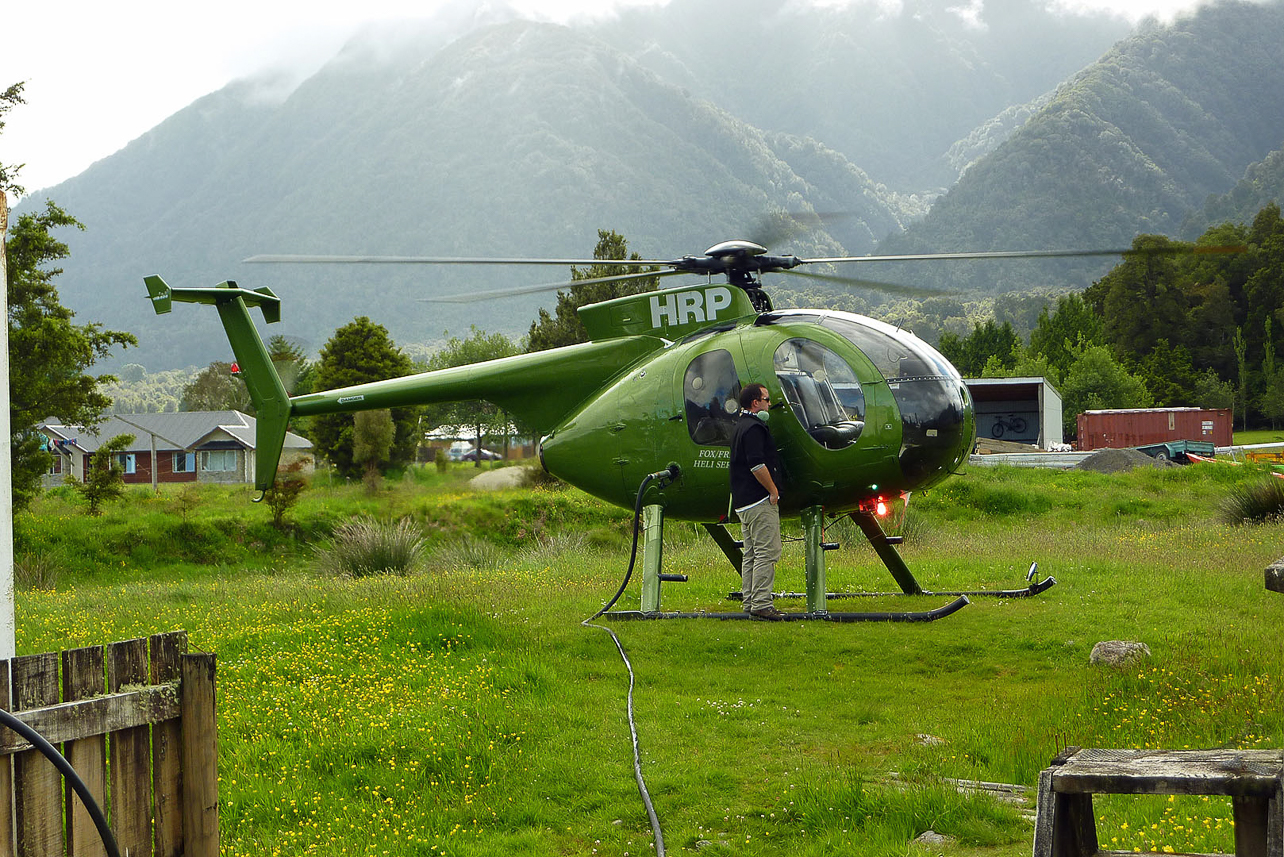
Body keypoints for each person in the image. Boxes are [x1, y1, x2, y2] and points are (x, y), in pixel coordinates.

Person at [730, 383, 785, 620]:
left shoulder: (740, 426)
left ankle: (750, 602)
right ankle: (762, 603)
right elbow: (757, 465)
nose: (769, 403)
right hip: (758, 500)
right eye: (766, 399)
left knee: (751, 554)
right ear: (755, 402)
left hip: (743, 501)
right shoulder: (754, 428)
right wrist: (772, 490)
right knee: (767, 552)